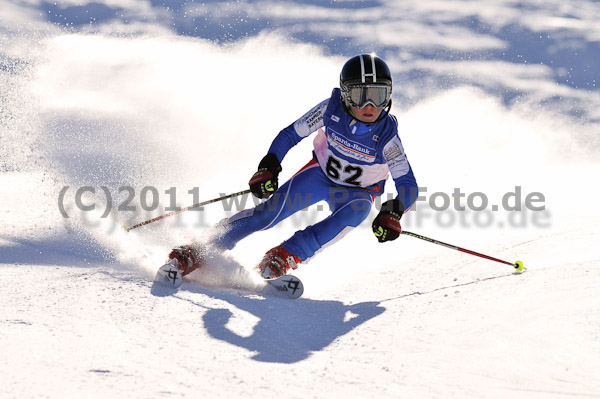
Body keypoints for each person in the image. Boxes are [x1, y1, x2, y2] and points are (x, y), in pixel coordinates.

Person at [168, 53, 418, 279]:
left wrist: (393, 211)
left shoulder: (387, 136)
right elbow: (290, 135)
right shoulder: (330, 110)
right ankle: (201, 248)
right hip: (319, 177)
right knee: (267, 214)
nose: (369, 107)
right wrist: (269, 166)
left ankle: (285, 255)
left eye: (378, 95)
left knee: (358, 211)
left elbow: (407, 184)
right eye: (359, 96)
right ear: (344, 94)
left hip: (358, 194)